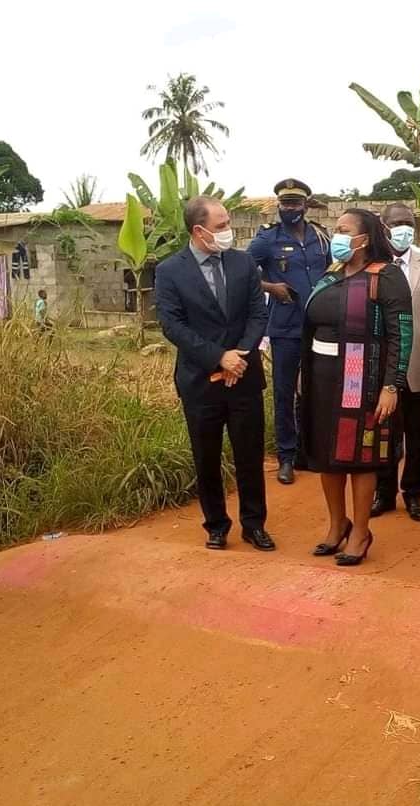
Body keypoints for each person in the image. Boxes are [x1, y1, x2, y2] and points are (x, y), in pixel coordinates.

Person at [155, 196, 274, 552]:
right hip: (200, 381)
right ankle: (216, 525)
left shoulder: (244, 263)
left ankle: (254, 525)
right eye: (221, 226)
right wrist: (218, 357)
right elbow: (172, 325)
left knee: (250, 455)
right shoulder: (169, 271)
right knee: (206, 456)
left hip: (244, 376)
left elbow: (258, 314)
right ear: (198, 230)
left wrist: (239, 356)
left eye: (227, 224)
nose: (228, 231)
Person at [301, 208, 412, 566]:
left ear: (364, 239)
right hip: (320, 374)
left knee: (359, 455)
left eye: (345, 230)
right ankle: (338, 525)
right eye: (336, 230)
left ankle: (361, 530)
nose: (338, 236)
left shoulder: (387, 275)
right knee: (326, 456)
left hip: (361, 378)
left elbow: (402, 334)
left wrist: (392, 386)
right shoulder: (332, 274)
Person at [246, 178, 331, 485]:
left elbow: (335, 273)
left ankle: (311, 451)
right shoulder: (266, 240)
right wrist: (271, 287)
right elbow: (241, 272)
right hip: (285, 327)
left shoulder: (321, 238)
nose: (290, 208)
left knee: (317, 391)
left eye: (295, 203)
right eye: (285, 204)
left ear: (306, 205)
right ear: (278, 206)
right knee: (284, 392)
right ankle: (286, 457)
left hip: (320, 327)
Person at [372, 203, 420, 522]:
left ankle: (414, 493)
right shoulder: (373, 266)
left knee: (417, 432)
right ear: (383, 227)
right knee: (384, 432)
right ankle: (383, 493)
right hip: (382, 365)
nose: (404, 229)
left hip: (418, 363)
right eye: (397, 223)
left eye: (409, 223)